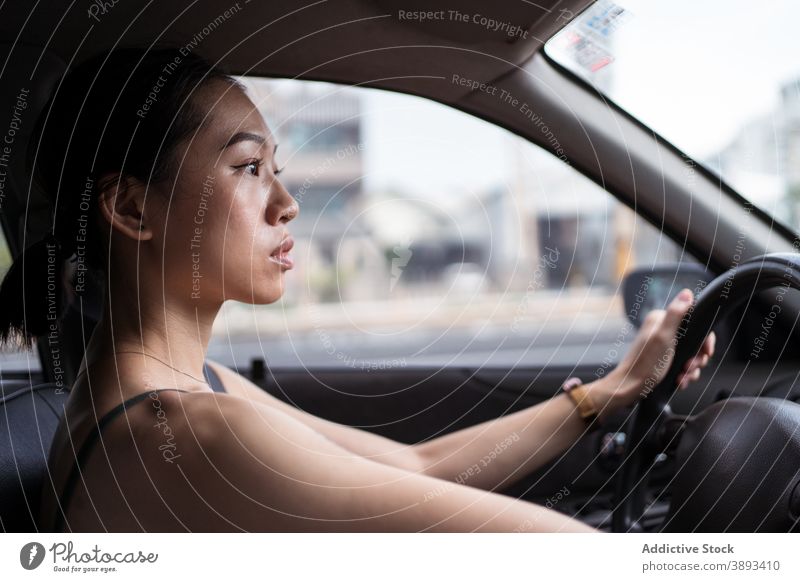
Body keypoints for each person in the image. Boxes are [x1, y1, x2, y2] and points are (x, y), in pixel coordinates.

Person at [0, 46, 714, 532]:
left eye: (275, 166)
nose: (287, 203)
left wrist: (613, 390)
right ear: (129, 208)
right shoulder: (194, 432)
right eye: (248, 168)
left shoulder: (176, 391)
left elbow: (415, 465)